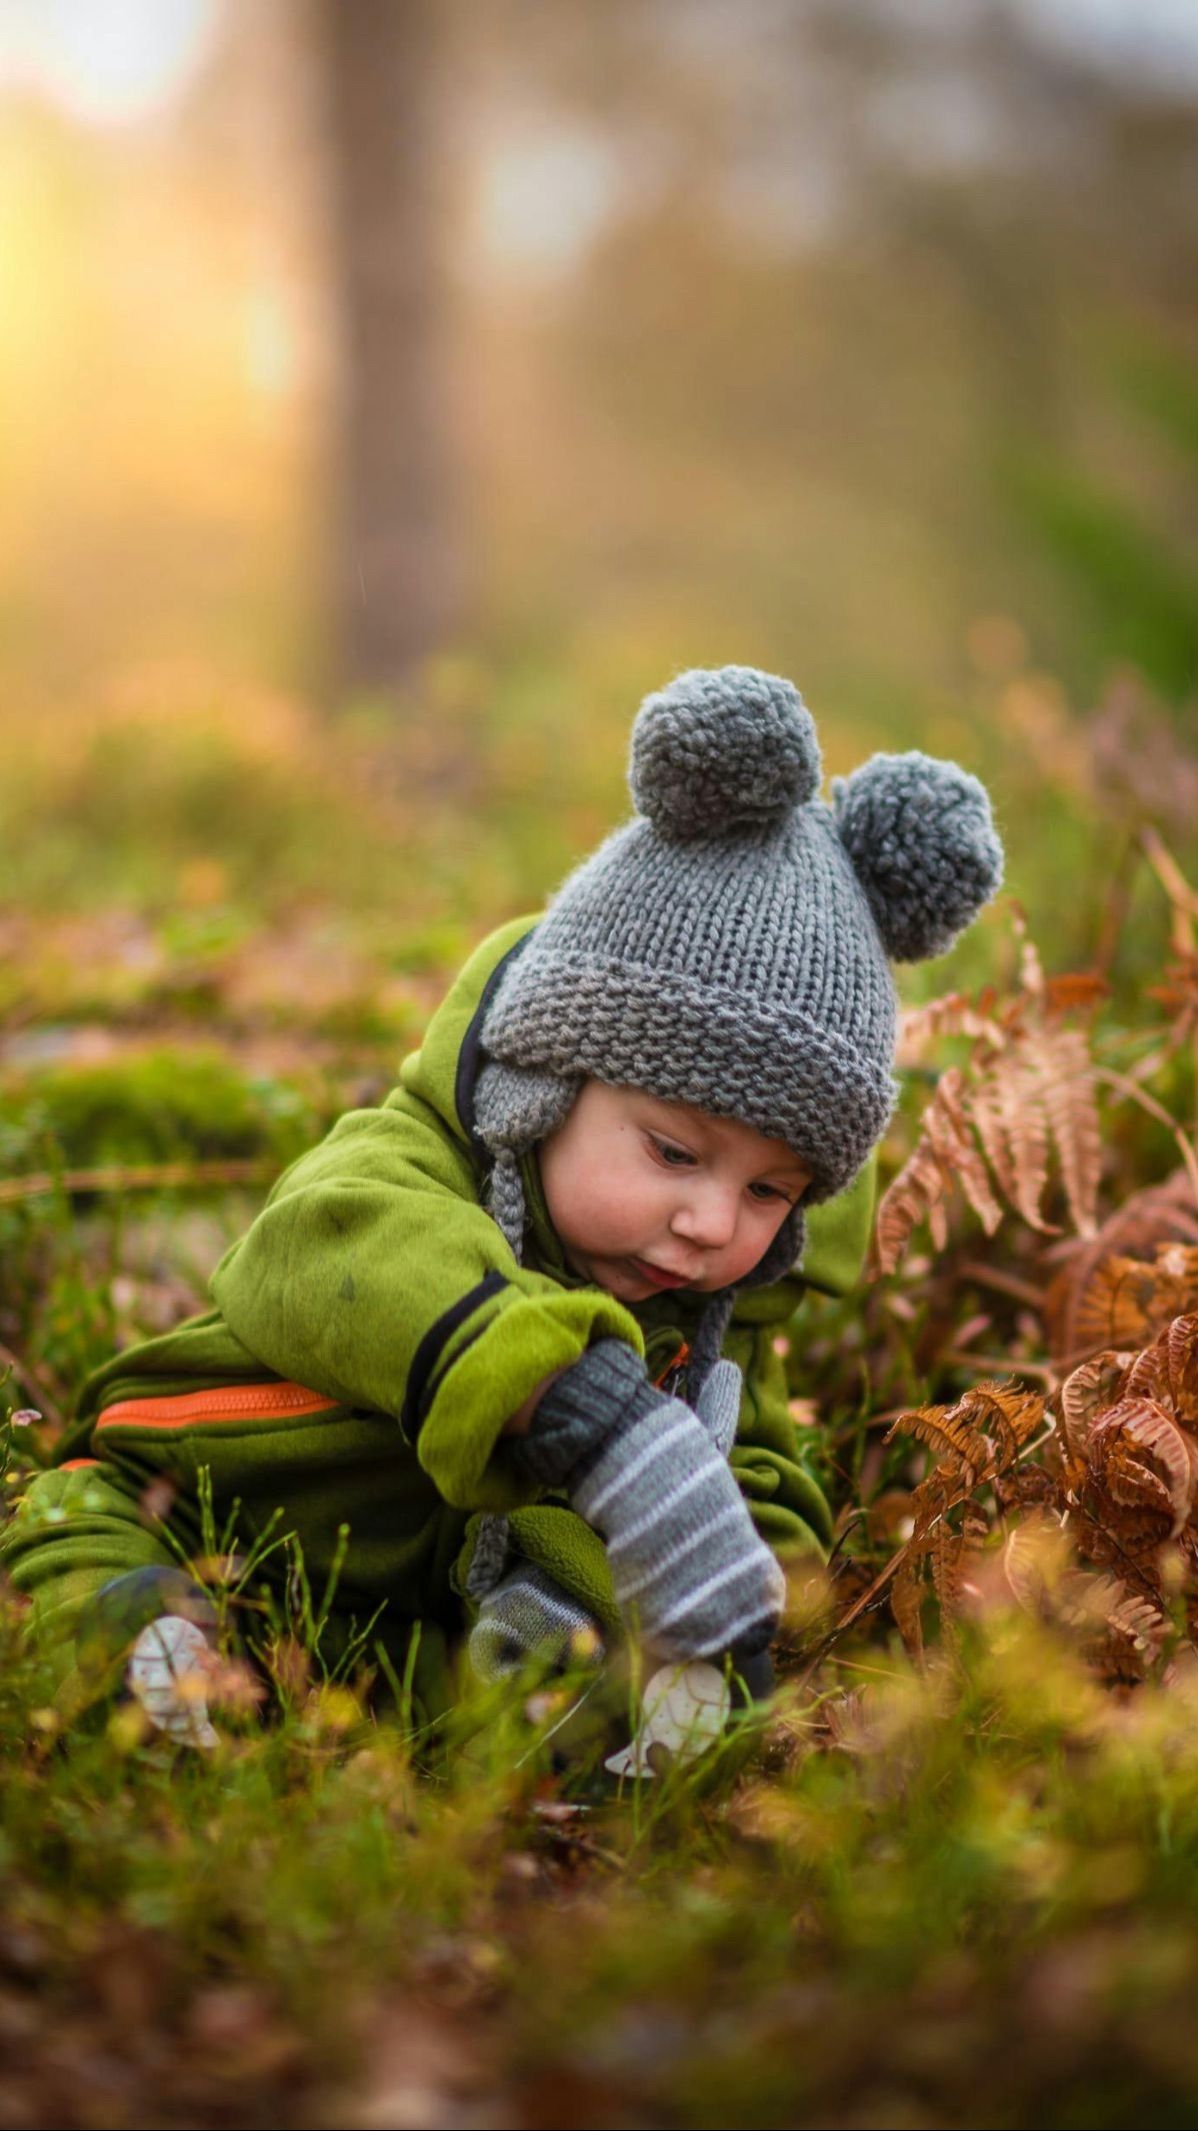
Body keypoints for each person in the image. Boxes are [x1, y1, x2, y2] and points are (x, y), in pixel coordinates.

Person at [1, 666, 1002, 1746]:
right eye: (673, 1153)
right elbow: (331, 1249)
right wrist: (582, 1409)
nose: (712, 1223)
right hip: (191, 1496)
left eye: (769, 1190)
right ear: (545, 1086)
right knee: (76, 1539)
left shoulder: (711, 1316)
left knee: (557, 1678)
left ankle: (514, 1727)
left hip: (406, 1620)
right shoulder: (402, 1170)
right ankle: (147, 1661)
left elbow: (753, 1465)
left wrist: (731, 1595)